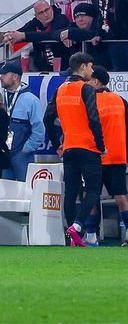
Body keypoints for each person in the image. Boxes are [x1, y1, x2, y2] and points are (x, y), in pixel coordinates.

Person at [52, 52, 106, 247]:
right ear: (82, 67)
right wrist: (101, 145)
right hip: (88, 147)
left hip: (69, 148)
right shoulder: (86, 89)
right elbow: (93, 118)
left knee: (71, 191)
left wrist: (56, 142)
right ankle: (77, 226)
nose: (92, 71)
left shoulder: (60, 90)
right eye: (90, 67)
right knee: (93, 189)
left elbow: (47, 119)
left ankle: (72, 238)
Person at [85, 65, 128, 246]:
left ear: (95, 81)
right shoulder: (121, 101)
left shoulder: (89, 101)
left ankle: (91, 235)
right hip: (118, 155)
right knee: (121, 195)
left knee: (92, 195)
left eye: (88, 80)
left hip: (95, 154)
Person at [0, 61, 45, 181]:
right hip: (4, 154)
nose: (0, 78)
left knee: (25, 191)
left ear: (15, 77)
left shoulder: (31, 100)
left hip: (21, 155)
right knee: (4, 192)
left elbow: (39, 129)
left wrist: (26, 149)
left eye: (4, 74)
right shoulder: (0, 98)